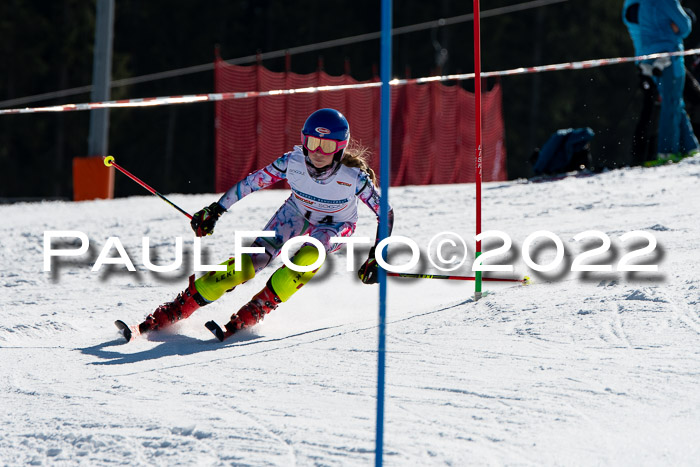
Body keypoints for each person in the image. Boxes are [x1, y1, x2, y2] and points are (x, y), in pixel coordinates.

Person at [129, 108, 393, 341]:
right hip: (295, 214)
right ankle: (178, 307)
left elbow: (386, 213)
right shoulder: (293, 162)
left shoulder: (353, 178)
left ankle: (259, 307)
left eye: (326, 146)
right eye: (313, 142)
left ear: (340, 147)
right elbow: (251, 183)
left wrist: (376, 257)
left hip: (336, 225)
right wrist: (216, 209)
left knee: (309, 255)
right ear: (304, 140)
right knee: (249, 263)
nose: (318, 152)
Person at [638, 0, 699, 163]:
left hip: (651, 59)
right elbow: (685, 25)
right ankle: (667, 153)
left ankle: (691, 147)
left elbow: (642, 29)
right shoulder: (667, 1)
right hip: (670, 58)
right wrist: (673, 28)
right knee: (671, 104)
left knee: (674, 102)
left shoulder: (644, 3)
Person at [622, 0, 662, 166]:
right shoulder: (634, 6)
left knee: (655, 111)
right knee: (649, 112)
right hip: (647, 67)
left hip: (657, 63)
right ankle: (641, 157)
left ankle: (650, 154)